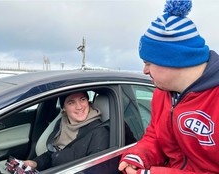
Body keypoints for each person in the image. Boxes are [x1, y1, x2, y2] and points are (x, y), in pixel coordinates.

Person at [118, 0, 219, 174]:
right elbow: (155, 135)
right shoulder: (162, 93)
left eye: (148, 63)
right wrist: (138, 156)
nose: (145, 71)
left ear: (173, 61)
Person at [24, 91, 109, 171]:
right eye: (71, 102)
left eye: (82, 99)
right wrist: (35, 163)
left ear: (88, 101)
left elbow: (94, 170)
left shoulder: (99, 132)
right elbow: (53, 153)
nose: (79, 107)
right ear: (64, 108)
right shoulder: (61, 123)